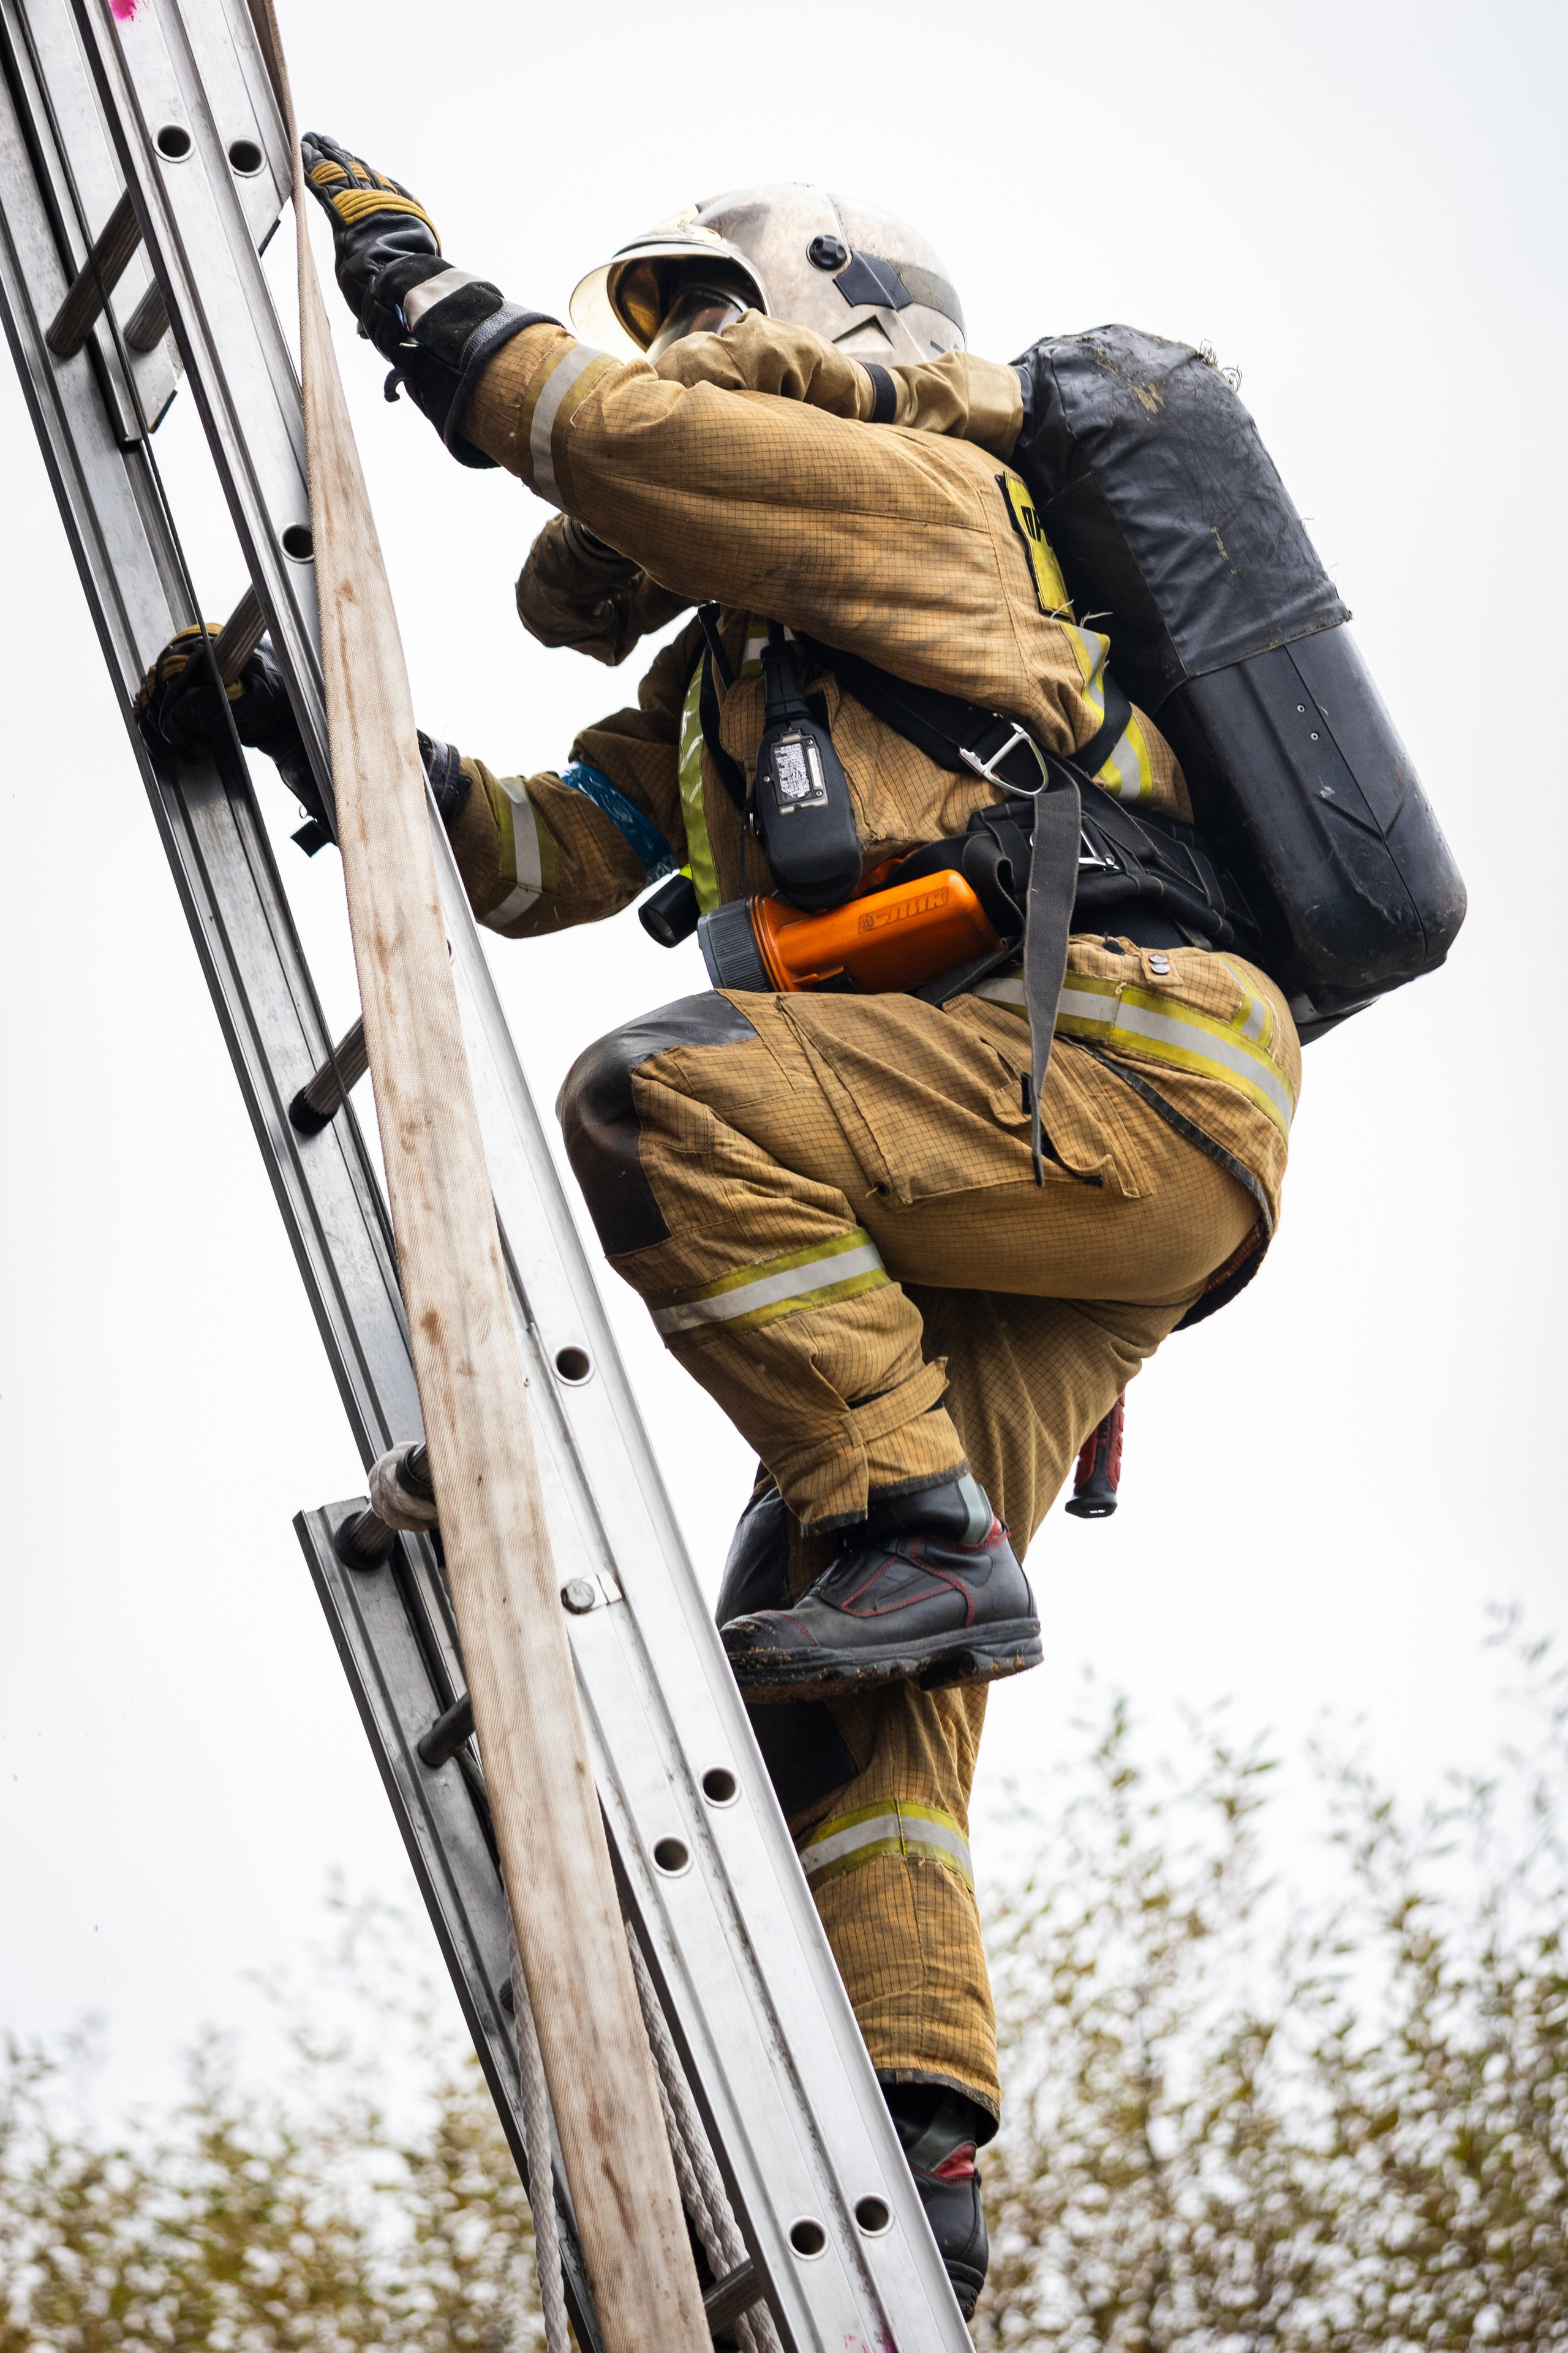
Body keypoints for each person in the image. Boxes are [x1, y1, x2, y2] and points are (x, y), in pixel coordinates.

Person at [137, 145, 1299, 2317]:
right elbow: (531, 851)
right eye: (667, 330)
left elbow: (608, 434)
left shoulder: (928, 507)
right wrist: (320, 727)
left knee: (661, 1099)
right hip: (1043, 1165)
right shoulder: (733, 686)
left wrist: (421, 296)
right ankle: (913, 2154)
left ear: (822, 323)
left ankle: (905, 1511)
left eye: (710, 321)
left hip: (1119, 1077)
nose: (684, 362)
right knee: (856, 1681)